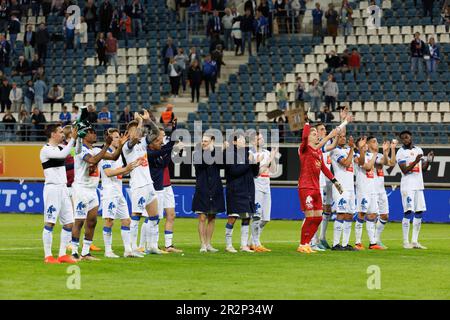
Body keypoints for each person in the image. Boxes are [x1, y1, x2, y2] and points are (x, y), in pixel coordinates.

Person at [71, 121, 126, 261]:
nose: (94, 134)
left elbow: (114, 156)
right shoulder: (80, 150)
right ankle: (74, 252)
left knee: (92, 221)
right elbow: (92, 160)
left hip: (92, 190)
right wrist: (106, 145)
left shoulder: (96, 149)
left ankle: (85, 253)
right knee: (79, 221)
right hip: (81, 189)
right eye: (91, 132)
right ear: (84, 136)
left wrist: (120, 145)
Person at [297, 120, 344, 253]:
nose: (316, 135)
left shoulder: (317, 152)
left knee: (318, 217)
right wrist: (306, 123)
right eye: (313, 133)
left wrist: (335, 181)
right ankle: (302, 244)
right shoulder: (304, 149)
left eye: (316, 133)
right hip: (306, 188)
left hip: (316, 188)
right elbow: (304, 137)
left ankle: (307, 243)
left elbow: (324, 168)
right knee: (310, 216)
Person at [122, 111, 165, 254]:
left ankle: (152, 246)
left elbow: (157, 133)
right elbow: (133, 139)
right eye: (134, 130)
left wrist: (148, 120)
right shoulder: (127, 147)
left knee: (155, 217)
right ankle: (133, 247)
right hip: (138, 186)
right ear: (128, 133)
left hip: (149, 184)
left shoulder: (142, 144)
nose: (138, 132)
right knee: (136, 217)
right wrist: (139, 123)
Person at [99, 128, 143, 258]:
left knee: (126, 221)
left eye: (119, 137)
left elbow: (119, 172)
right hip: (109, 192)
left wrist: (132, 167)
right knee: (109, 221)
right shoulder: (105, 153)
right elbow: (108, 173)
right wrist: (125, 168)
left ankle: (128, 250)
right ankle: (108, 251)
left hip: (118, 191)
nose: (119, 139)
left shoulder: (117, 154)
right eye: (116, 137)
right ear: (109, 139)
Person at [40, 124, 78, 264]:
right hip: (52, 189)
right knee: (50, 222)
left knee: (69, 223)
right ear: (53, 134)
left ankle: (62, 255)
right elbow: (63, 155)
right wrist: (73, 139)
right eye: (60, 132)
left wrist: (77, 137)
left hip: (63, 188)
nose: (63, 134)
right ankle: (48, 256)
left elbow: (74, 152)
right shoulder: (45, 150)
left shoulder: (62, 147)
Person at [147, 123, 183, 253]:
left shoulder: (163, 149)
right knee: (154, 217)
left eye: (163, 135)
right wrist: (173, 149)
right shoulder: (154, 152)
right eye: (160, 136)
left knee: (171, 215)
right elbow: (163, 162)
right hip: (157, 187)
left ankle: (168, 245)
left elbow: (167, 163)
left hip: (167, 185)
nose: (162, 138)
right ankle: (150, 244)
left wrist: (174, 129)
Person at [224, 133, 261, 253]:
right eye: (240, 139)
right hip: (235, 189)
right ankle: (228, 245)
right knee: (233, 217)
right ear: (234, 142)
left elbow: (254, 173)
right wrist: (249, 163)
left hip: (248, 189)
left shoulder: (246, 153)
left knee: (246, 217)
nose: (243, 141)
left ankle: (243, 245)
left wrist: (256, 163)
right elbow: (234, 171)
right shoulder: (229, 154)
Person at [396, 130, 434, 249]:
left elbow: (423, 169)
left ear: (411, 137)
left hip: (418, 185)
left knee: (419, 212)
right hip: (408, 186)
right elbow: (405, 170)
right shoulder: (401, 152)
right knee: (408, 212)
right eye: (403, 138)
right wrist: (416, 161)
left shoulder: (419, 150)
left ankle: (414, 241)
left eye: (407, 137)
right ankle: (405, 242)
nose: (405, 140)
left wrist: (428, 161)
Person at [310, 122, 340, 251]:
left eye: (325, 129)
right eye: (321, 130)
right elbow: (322, 146)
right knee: (314, 212)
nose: (324, 131)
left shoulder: (325, 144)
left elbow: (333, 145)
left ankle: (319, 238)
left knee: (324, 210)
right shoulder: (315, 146)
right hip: (316, 182)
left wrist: (337, 134)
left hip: (325, 182)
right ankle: (312, 241)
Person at [192, 134, 224, 252]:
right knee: (202, 217)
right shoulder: (197, 154)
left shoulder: (218, 153)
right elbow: (203, 164)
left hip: (215, 188)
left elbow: (222, 165)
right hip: (203, 188)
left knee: (212, 217)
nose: (204, 143)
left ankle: (209, 243)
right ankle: (203, 244)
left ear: (212, 141)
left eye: (206, 141)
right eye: (203, 141)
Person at [248, 132, 278, 252]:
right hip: (256, 185)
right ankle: (256, 243)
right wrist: (269, 160)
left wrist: (272, 158)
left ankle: (253, 241)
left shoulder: (266, 153)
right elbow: (257, 172)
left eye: (261, 138)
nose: (261, 140)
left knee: (265, 218)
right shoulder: (250, 154)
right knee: (257, 216)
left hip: (267, 185)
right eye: (258, 138)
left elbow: (274, 170)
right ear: (252, 141)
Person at [353, 137, 384, 250]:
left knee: (373, 215)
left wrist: (385, 152)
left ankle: (372, 243)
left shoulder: (371, 155)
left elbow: (383, 163)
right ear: (358, 146)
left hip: (372, 189)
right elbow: (367, 166)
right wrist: (374, 155)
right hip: (363, 189)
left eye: (366, 143)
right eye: (362, 144)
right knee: (361, 213)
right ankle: (358, 242)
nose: (365, 145)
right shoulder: (356, 156)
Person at [369, 137, 397, 249]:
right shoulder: (368, 156)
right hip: (372, 189)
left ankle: (377, 239)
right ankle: (372, 242)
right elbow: (381, 162)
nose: (376, 143)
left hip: (381, 190)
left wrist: (392, 150)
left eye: (376, 141)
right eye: (374, 141)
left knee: (385, 216)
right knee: (372, 215)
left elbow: (391, 163)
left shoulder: (380, 155)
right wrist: (385, 153)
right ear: (368, 144)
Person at [330, 132, 355, 251]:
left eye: (344, 136)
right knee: (341, 213)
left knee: (349, 215)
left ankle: (345, 244)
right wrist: (352, 149)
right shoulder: (335, 151)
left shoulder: (348, 150)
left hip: (350, 186)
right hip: (341, 186)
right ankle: (335, 244)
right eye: (340, 136)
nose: (343, 138)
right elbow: (345, 163)